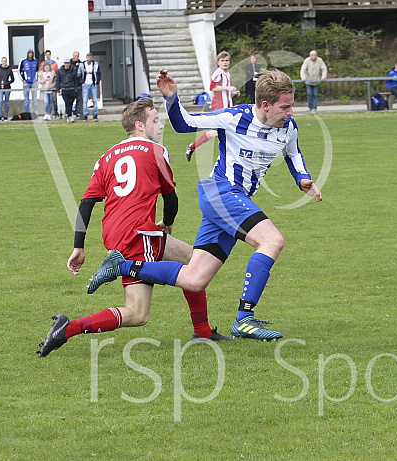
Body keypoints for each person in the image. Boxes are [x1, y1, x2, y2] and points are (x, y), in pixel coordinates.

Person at [87, 69, 323, 341]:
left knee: (195, 278)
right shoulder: (234, 117)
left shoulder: (288, 127)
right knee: (272, 241)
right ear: (266, 105)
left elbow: (293, 152)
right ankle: (244, 319)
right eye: (285, 106)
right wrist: (172, 98)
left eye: (292, 104)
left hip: (232, 202)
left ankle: (123, 266)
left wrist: (303, 179)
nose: (291, 111)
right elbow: (184, 123)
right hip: (222, 192)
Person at [37, 96, 233, 357]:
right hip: (138, 235)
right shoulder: (156, 151)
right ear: (140, 126)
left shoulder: (106, 157)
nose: (161, 125)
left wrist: (78, 246)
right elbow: (170, 197)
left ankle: (203, 331)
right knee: (138, 314)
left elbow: (86, 203)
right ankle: (69, 327)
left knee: (194, 262)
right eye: (155, 120)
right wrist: (169, 223)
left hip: (121, 234)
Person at [184, 51, 239, 161]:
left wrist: (233, 93)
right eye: (222, 61)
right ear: (218, 62)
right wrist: (228, 89)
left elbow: (224, 91)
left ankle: (228, 154)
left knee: (224, 130)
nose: (225, 63)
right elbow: (212, 87)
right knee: (220, 131)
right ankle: (193, 146)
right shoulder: (218, 73)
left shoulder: (227, 74)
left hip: (227, 105)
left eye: (226, 60)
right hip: (219, 106)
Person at [78, 52, 100, 121]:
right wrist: (82, 82)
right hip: (85, 83)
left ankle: (95, 114)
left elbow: (98, 73)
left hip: (93, 83)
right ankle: (85, 114)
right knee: (85, 100)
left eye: (90, 57)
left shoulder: (95, 64)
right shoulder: (82, 65)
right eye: (88, 57)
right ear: (86, 58)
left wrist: (97, 81)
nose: (89, 59)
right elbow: (79, 74)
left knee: (95, 100)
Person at [57, 57, 78, 123]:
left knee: (71, 103)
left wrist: (75, 89)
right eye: (65, 63)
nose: (67, 64)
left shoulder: (73, 71)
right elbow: (58, 80)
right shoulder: (60, 71)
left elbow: (75, 80)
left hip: (71, 89)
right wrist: (58, 90)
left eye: (68, 63)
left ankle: (69, 115)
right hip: (64, 89)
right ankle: (69, 116)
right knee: (67, 102)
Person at [19, 49, 39, 116]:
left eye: (31, 53)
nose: (30, 55)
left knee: (34, 100)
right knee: (26, 100)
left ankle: (34, 114)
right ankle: (26, 114)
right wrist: (23, 80)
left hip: (33, 83)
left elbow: (38, 72)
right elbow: (19, 71)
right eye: (29, 53)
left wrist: (37, 80)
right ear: (28, 54)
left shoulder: (36, 62)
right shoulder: (23, 61)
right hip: (26, 83)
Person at [41, 50, 60, 117]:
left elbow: (57, 73)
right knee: (47, 101)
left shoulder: (54, 63)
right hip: (46, 86)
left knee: (54, 99)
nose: (48, 55)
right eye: (47, 54)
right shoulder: (43, 63)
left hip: (52, 83)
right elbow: (40, 73)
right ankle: (48, 113)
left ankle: (56, 112)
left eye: (49, 54)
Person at [70, 51, 82, 118]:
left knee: (79, 99)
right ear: (73, 56)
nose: (76, 57)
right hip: (71, 84)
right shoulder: (69, 64)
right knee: (71, 99)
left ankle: (77, 111)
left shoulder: (80, 64)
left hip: (78, 84)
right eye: (75, 55)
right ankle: (69, 112)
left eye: (77, 55)